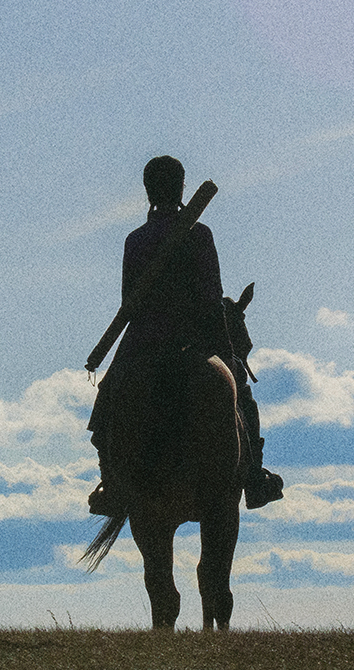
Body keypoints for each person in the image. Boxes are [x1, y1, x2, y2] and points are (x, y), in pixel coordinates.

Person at [87, 155, 284, 515]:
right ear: (181, 188)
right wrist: (227, 351)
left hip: (144, 340)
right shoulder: (199, 234)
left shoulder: (136, 240)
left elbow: (128, 302)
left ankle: (111, 486)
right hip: (191, 340)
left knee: (107, 400)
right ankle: (255, 478)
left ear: (148, 190)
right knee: (240, 390)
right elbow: (211, 299)